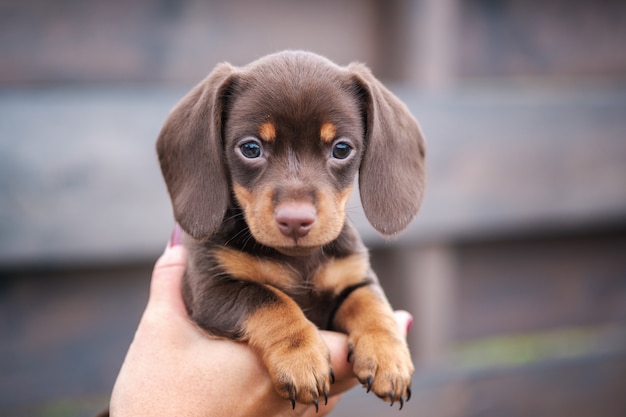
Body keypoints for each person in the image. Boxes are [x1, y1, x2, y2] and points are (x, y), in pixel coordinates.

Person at [105, 226, 413, 416]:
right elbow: (214, 297)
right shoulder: (220, 241)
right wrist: (285, 336)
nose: (296, 208)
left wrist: (377, 330)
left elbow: (355, 290)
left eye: (340, 150)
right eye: (252, 149)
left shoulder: (342, 250)